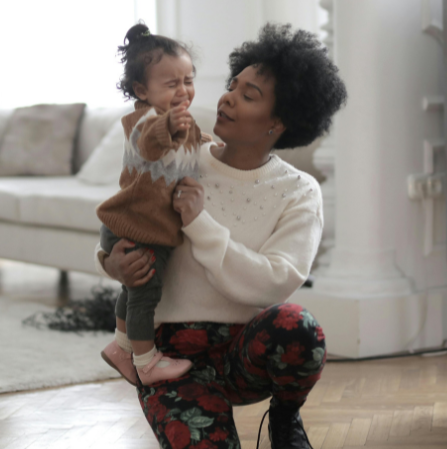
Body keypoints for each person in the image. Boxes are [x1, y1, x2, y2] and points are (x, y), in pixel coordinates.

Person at [95, 23, 347, 448]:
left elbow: (274, 281)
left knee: (298, 325)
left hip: (248, 352)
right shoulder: (182, 154)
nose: (227, 97)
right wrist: (109, 263)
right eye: (233, 84)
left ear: (279, 122)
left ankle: (285, 418)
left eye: (249, 96)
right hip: (169, 356)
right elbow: (129, 217)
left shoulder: (300, 190)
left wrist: (199, 222)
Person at [98, 23, 217, 386]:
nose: (183, 91)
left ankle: (120, 347)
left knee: (132, 291)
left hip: (139, 225)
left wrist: (205, 142)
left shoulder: (179, 121)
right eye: (171, 84)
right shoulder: (145, 122)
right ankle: (147, 363)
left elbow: (190, 140)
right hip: (136, 226)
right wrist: (169, 124)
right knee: (145, 299)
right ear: (141, 91)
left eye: (188, 81)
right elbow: (152, 144)